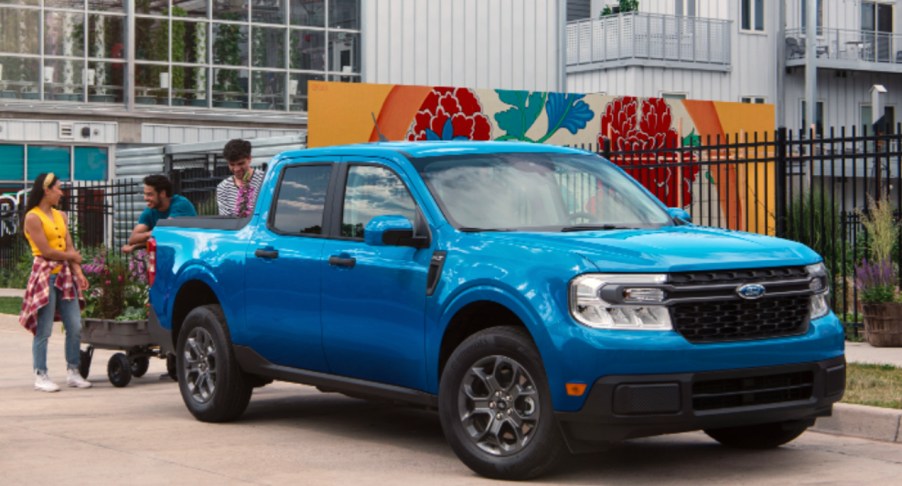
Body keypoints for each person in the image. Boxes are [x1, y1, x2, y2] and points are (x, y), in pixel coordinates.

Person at [19, 172, 93, 392]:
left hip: (65, 276)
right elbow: (47, 251)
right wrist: (73, 258)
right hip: (45, 275)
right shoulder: (32, 217)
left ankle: (73, 371)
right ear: (46, 190)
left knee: (75, 326)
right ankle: (40, 374)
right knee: (44, 329)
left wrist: (78, 272)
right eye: (59, 188)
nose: (62, 192)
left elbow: (69, 246)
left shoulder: (61, 215)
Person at [122, 174, 197, 253]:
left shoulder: (180, 204)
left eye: (149, 194)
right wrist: (149, 234)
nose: (145, 198)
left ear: (162, 194)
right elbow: (132, 239)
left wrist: (136, 246)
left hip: (188, 253)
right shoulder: (150, 211)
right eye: (145, 194)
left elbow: (166, 234)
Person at [217, 139, 265, 217]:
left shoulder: (264, 180)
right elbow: (225, 219)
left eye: (240, 163)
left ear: (249, 158)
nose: (236, 169)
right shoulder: (223, 187)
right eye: (232, 164)